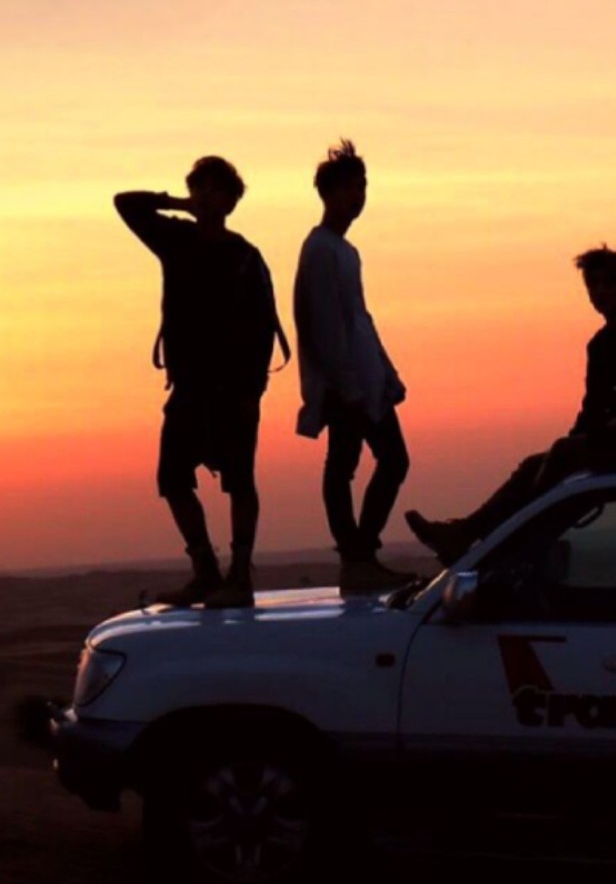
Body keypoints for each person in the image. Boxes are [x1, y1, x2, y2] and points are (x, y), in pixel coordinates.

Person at [406, 244, 616, 563]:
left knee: (559, 456)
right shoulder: (600, 345)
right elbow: (592, 409)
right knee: (535, 464)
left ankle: (508, 541)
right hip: (615, 441)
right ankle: (468, 533)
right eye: (593, 285)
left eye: (607, 284)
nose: (599, 292)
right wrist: (574, 441)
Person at [114, 157, 287, 608]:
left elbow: (266, 325)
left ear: (232, 199)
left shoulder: (246, 256)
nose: (206, 195)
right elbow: (125, 204)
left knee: (240, 480)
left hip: (234, 391)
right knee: (172, 478)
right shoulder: (176, 238)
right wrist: (176, 203)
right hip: (189, 388)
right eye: (199, 187)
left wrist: (253, 390)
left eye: (214, 189)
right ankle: (205, 572)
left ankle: (240, 577)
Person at [294, 139, 410, 593]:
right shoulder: (319, 249)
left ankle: (361, 553)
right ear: (330, 192)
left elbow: (361, 317)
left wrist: (386, 370)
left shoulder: (347, 250)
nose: (359, 196)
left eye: (363, 187)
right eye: (352, 187)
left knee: (388, 461)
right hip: (347, 385)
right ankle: (356, 557)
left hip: (367, 379)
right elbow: (323, 323)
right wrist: (347, 384)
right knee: (346, 465)